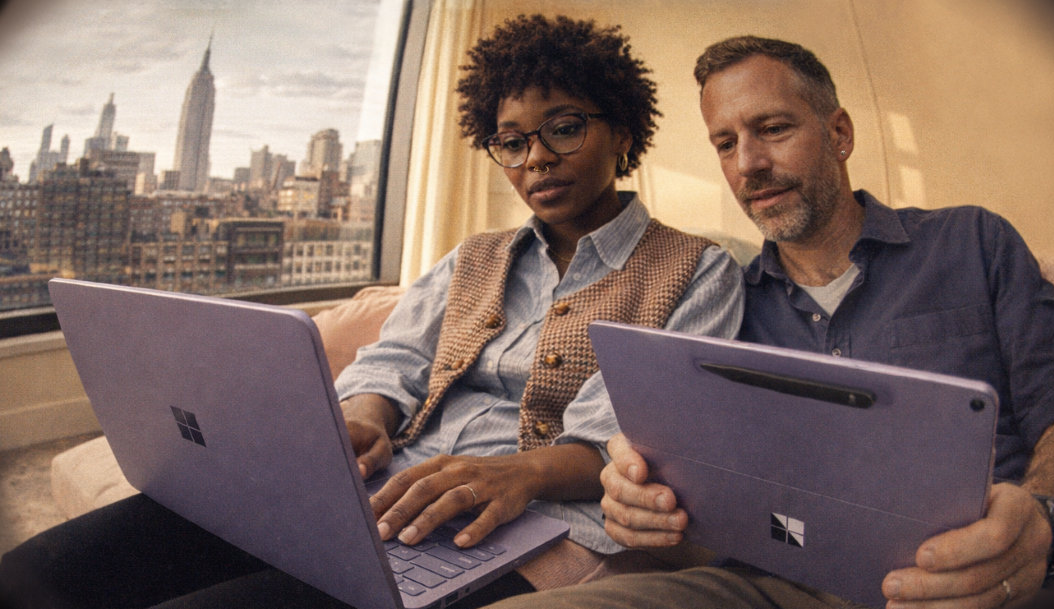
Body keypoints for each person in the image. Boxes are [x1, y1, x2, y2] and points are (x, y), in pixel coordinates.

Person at [0, 15, 743, 609]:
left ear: (622, 131)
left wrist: (516, 473)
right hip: (371, 492)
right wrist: (363, 417)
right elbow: (394, 360)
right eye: (511, 143)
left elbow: (629, 435)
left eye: (565, 127)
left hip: (508, 527)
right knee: (43, 573)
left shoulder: (696, 270)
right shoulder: (474, 257)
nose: (535, 159)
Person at [483, 35, 1054, 609]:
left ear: (839, 133)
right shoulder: (728, 304)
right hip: (766, 587)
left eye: (772, 129)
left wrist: (1044, 521)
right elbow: (703, 516)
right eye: (725, 144)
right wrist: (641, 509)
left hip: (960, 580)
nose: (749, 164)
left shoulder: (970, 242)